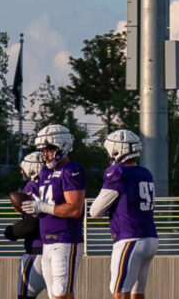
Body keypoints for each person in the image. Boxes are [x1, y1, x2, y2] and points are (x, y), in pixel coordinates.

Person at [13, 124, 87, 299]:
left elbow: (75, 208)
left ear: (62, 145)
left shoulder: (72, 170)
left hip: (65, 239)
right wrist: (34, 209)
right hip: (47, 242)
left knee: (62, 293)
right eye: (43, 150)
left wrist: (43, 207)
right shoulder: (45, 173)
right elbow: (47, 205)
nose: (45, 154)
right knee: (54, 295)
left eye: (49, 149)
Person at [89, 129, 158, 299]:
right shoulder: (145, 172)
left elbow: (95, 211)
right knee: (137, 293)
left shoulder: (117, 172)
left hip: (130, 237)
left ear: (116, 150)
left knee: (120, 293)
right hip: (150, 237)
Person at [7, 152, 46, 299]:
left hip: (37, 250)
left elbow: (31, 223)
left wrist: (12, 232)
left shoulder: (32, 186)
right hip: (59, 249)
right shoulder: (55, 183)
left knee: (25, 295)